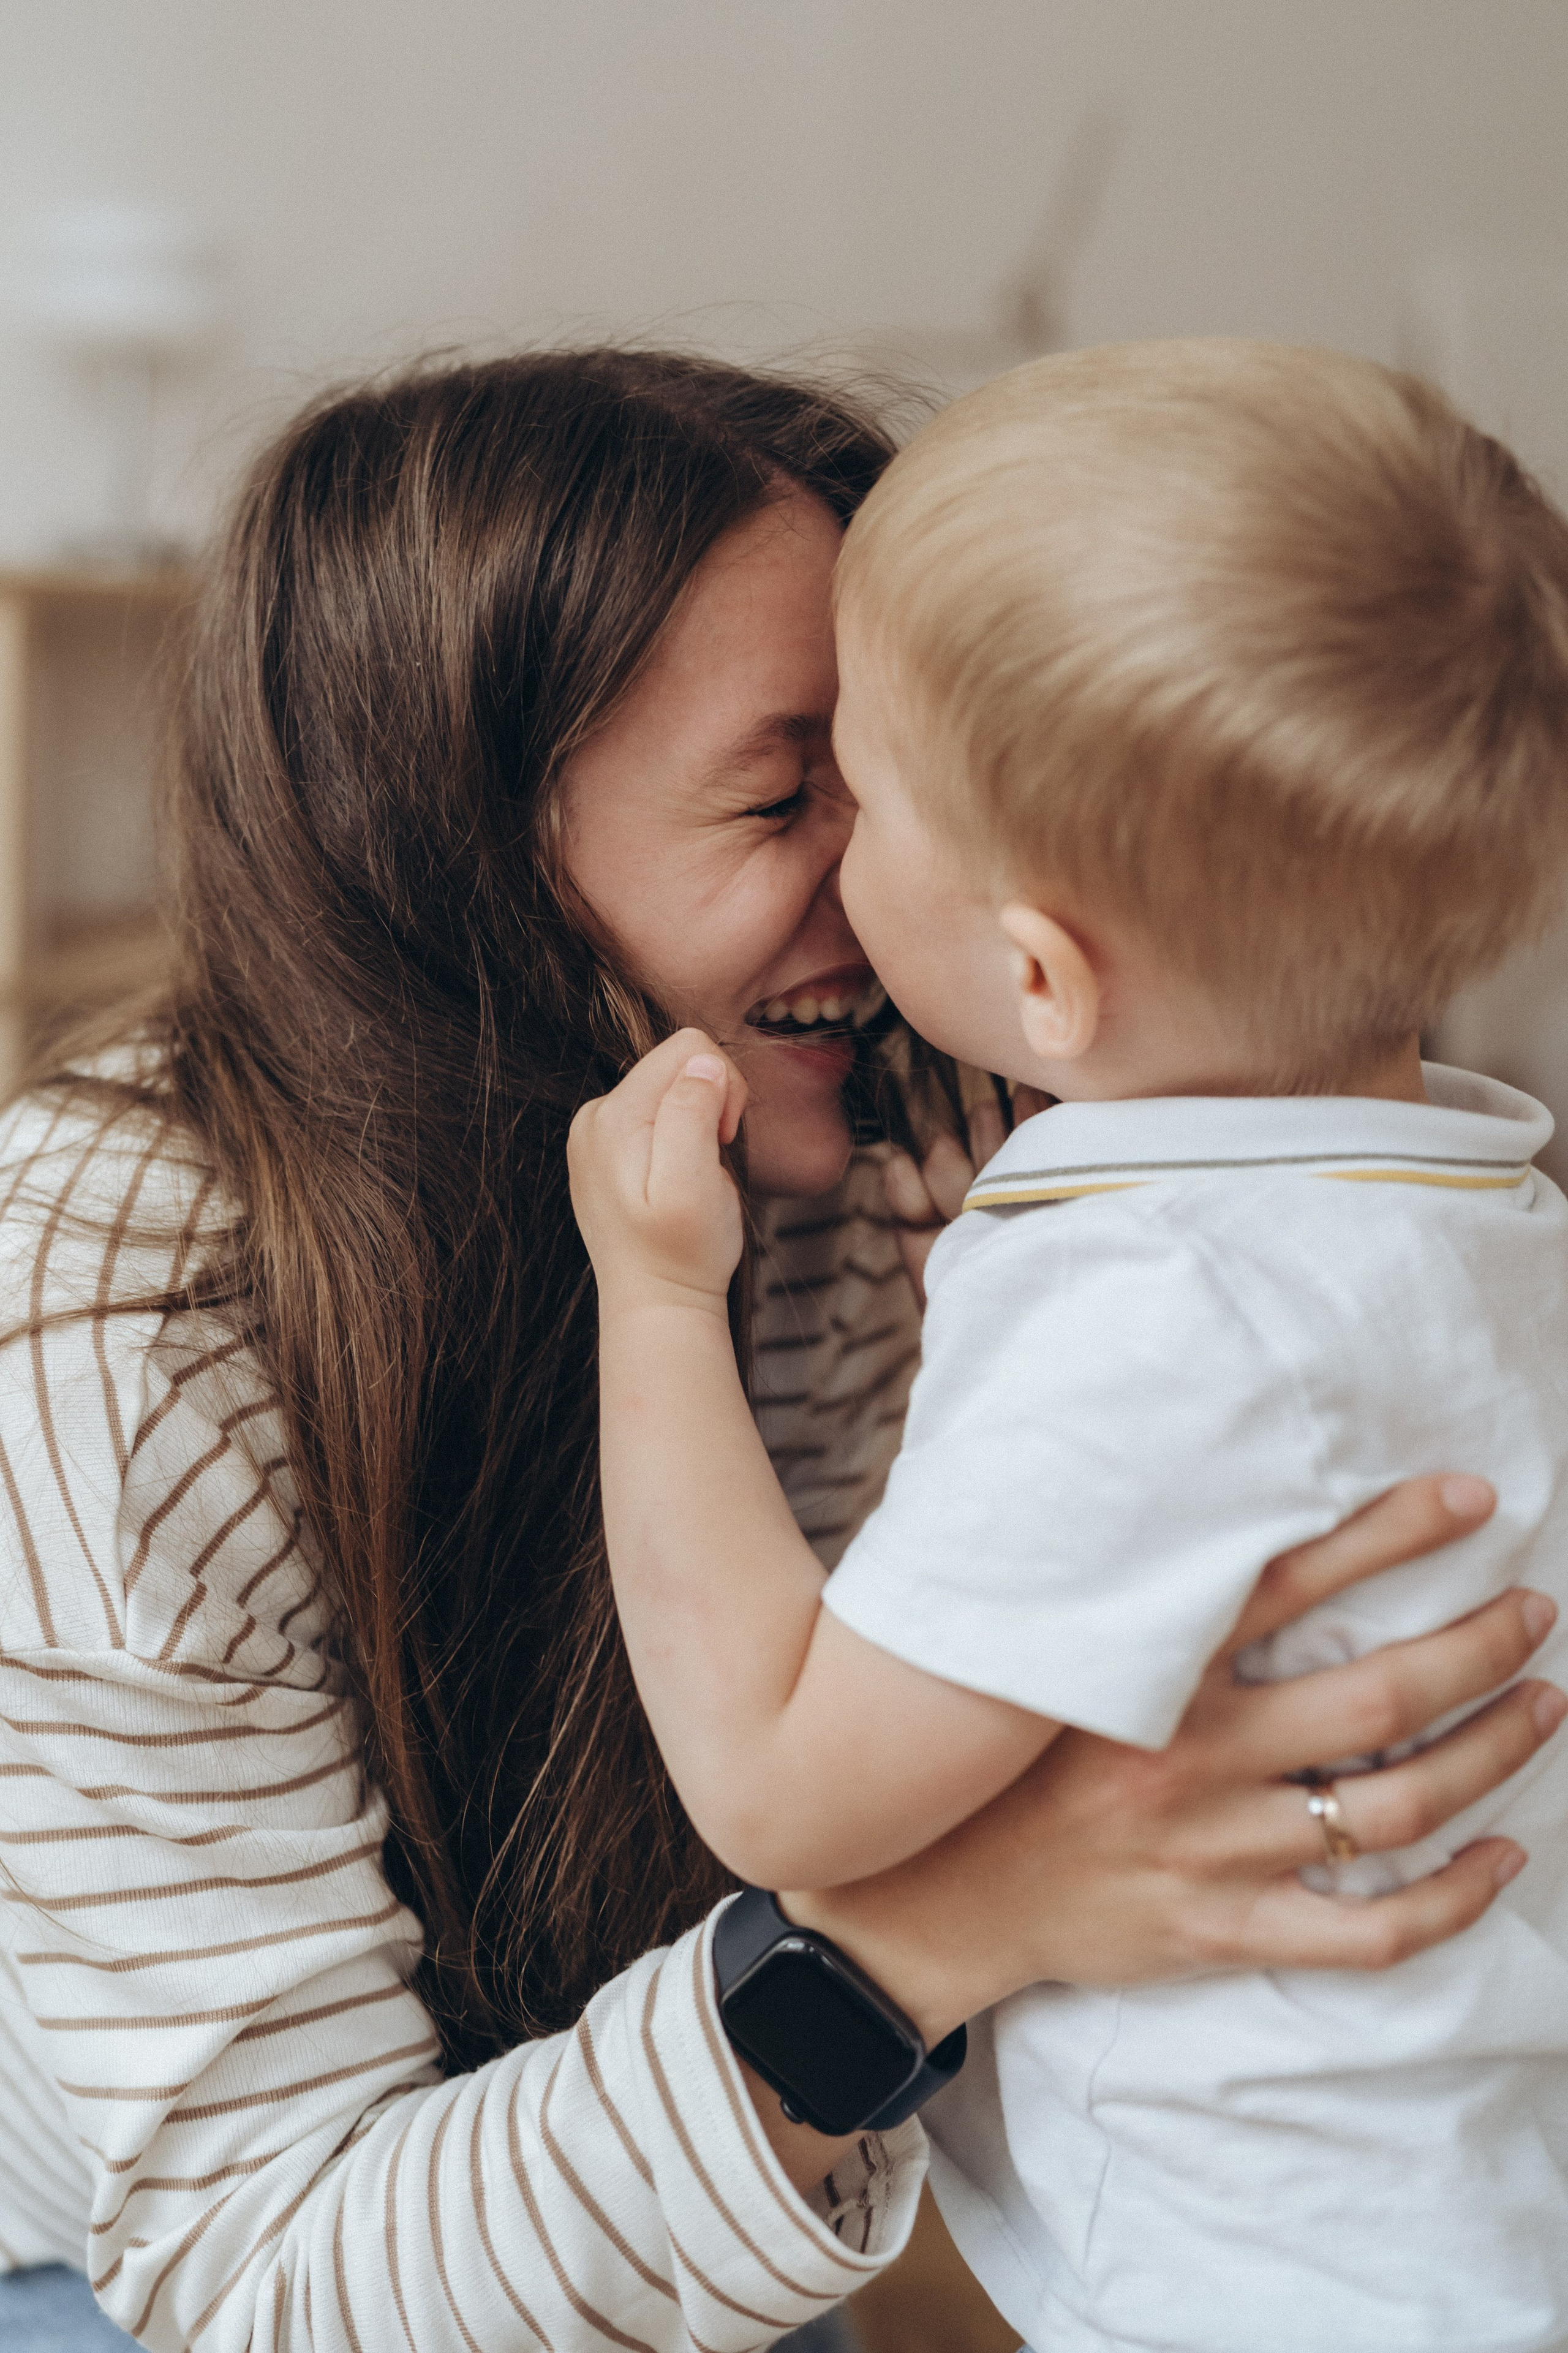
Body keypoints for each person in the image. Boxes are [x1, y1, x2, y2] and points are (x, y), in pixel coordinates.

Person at [0, 350, 1559, 2353]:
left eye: (901, 768)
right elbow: (273, 2275)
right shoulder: (113, 1306)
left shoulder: (956, 1154)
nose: (908, 873)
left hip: (734, 2130)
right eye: (783, 792)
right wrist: (960, 1915)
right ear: (463, 874)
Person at [568, 340, 1568, 2353]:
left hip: (1262, 2285)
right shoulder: (1468, 1206)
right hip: (1452, 2214)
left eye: (865, 792)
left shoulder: (1160, 1301)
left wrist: (658, 1299)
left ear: (1035, 969)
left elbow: (781, 1779)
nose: (840, 852)